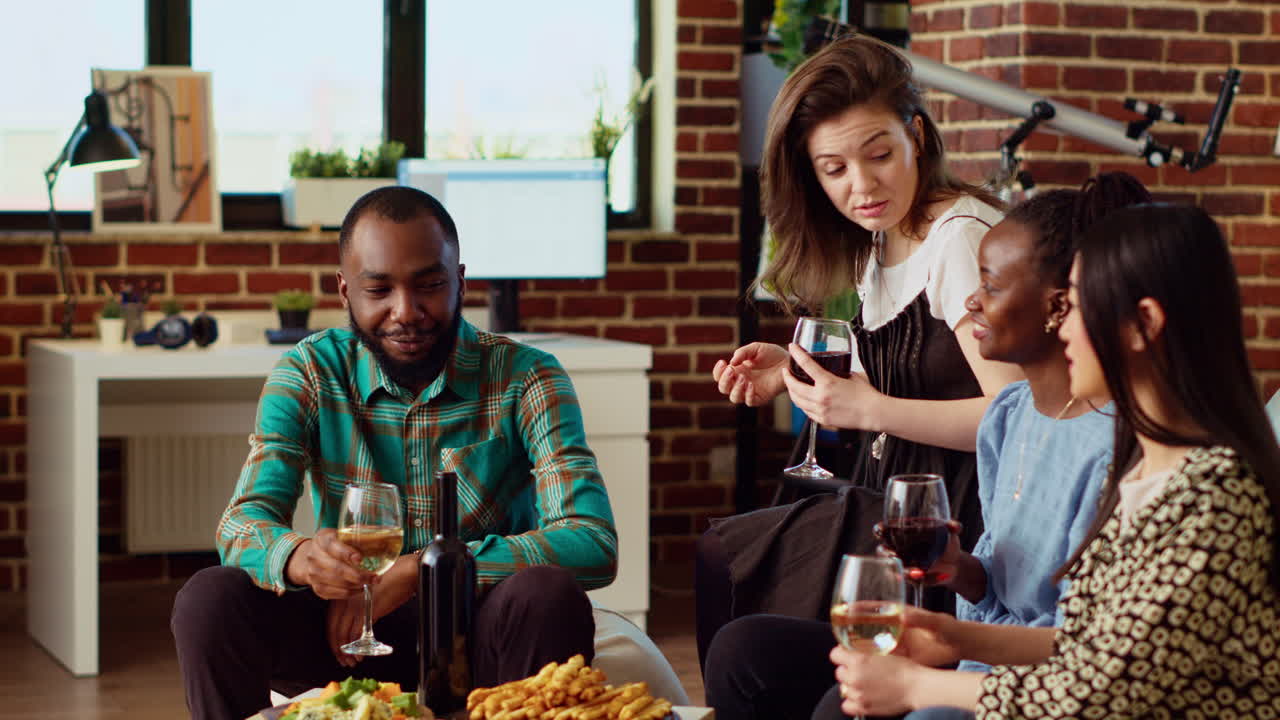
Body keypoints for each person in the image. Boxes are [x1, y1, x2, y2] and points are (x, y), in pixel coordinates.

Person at [702, 173, 1149, 720]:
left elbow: (1082, 651)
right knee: (742, 651)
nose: (970, 301)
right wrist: (960, 569)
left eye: (991, 285)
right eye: (829, 167)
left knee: (837, 706)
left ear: (1059, 306)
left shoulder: (1116, 453)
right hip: (969, 655)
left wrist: (939, 654)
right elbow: (992, 583)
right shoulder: (1012, 415)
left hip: (1017, 684)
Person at [171, 186, 618, 720]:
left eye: (429, 285)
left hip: (475, 640)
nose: (406, 312)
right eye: (379, 289)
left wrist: (423, 570)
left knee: (547, 593)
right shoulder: (310, 373)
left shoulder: (529, 376)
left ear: (460, 281)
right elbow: (240, 525)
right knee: (208, 599)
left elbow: (592, 540)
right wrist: (298, 557)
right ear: (345, 291)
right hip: (343, 635)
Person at [832, 203, 1280, 718]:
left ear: (1144, 324)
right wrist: (953, 637)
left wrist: (917, 689)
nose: (1061, 328)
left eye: (1077, 307)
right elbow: (1087, 642)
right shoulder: (1150, 476)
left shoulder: (1214, 495)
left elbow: (1101, 689)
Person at [698, 33, 1019, 665]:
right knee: (736, 576)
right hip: (891, 491)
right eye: (834, 169)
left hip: (954, 521)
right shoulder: (883, 236)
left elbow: (1012, 416)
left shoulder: (959, 237)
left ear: (917, 139)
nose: (862, 185)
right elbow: (912, 372)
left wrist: (866, 409)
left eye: (879, 156)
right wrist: (789, 373)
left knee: (729, 562)